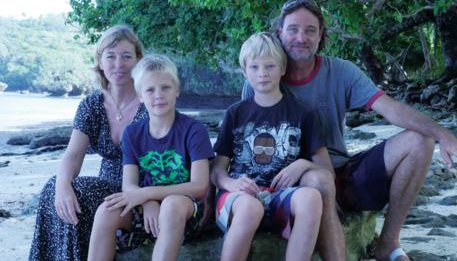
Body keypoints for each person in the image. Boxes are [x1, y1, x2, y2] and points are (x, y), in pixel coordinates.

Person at [242, 0, 457, 261]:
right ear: (279, 32)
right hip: (291, 182)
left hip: (343, 173)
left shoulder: (341, 71)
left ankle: (388, 242)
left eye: (310, 30)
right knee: (317, 179)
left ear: (320, 37)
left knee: (420, 141)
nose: (301, 37)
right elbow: (244, 141)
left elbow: (390, 108)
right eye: (293, 29)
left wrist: (443, 134)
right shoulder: (260, 77)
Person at [212, 32, 337, 261]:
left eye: (269, 66)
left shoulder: (303, 113)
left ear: (282, 69)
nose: (262, 74)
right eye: (255, 67)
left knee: (311, 198)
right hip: (240, 200)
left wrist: (303, 164)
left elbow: (326, 170)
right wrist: (232, 183)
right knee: (250, 208)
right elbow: (217, 170)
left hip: (280, 198)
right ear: (244, 71)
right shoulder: (235, 113)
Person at [29, 25, 147, 261]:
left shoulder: (150, 101)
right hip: (106, 185)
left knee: (80, 193)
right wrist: (63, 184)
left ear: (138, 61)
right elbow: (73, 156)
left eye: (126, 56)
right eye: (110, 56)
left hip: (139, 190)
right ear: (100, 62)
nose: (118, 64)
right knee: (54, 188)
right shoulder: (91, 105)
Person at [87, 54, 214, 261]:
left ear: (177, 90)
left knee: (171, 205)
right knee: (105, 211)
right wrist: (148, 202)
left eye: (166, 87)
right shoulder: (132, 133)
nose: (158, 95)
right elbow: (129, 186)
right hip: (149, 209)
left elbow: (199, 185)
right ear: (139, 95)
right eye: (150, 90)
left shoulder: (194, 130)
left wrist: (148, 195)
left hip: (187, 211)